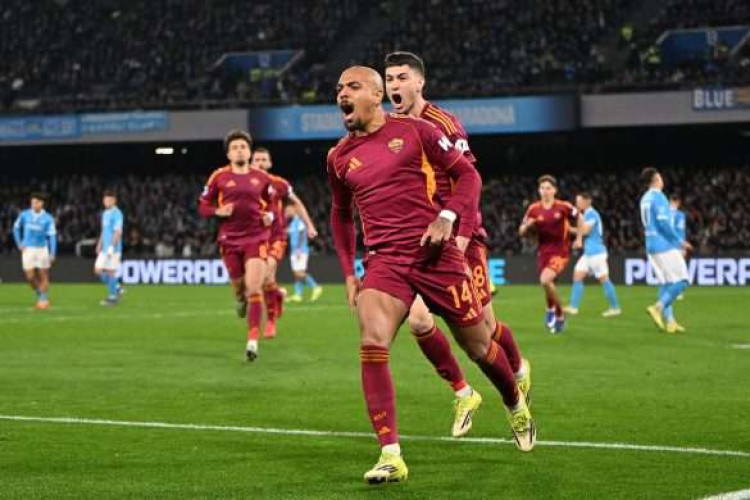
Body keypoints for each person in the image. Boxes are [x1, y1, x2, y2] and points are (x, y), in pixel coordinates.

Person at [329, 66, 535, 485]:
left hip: (435, 255)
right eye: (338, 89)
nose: (342, 94)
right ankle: (391, 454)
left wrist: (448, 216)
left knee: (479, 345)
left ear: (376, 94)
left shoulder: (418, 131)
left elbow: (468, 176)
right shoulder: (338, 157)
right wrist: (349, 271)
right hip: (385, 261)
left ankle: (514, 403)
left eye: (352, 86)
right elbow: (340, 215)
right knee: (372, 340)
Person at [384, 51, 530, 438]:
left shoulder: (444, 123)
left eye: (402, 77)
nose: (394, 85)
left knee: (486, 328)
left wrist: (462, 237)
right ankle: (464, 393)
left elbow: (468, 180)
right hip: (421, 242)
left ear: (420, 82)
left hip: (462, 235)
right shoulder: (390, 128)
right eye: (389, 79)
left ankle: (518, 372)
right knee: (419, 320)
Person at [199, 130, 274, 360]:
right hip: (229, 239)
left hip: (256, 237)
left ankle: (252, 341)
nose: (239, 150)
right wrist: (217, 211)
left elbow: (271, 204)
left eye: (243, 146)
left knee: (254, 288)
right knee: (240, 289)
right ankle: (240, 300)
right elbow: (203, 205)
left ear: (249, 151)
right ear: (229, 154)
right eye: (235, 147)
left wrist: (270, 215)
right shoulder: (218, 177)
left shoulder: (262, 178)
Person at [250, 146, 318, 338]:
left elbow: (297, 203)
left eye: (264, 160)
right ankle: (278, 295)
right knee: (264, 281)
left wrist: (309, 225)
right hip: (255, 238)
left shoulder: (279, 184)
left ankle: (271, 321)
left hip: (275, 238)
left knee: (266, 274)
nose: (260, 163)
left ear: (270, 163)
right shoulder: (245, 186)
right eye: (257, 160)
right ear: (251, 163)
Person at [519, 175, 583, 333]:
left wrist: (579, 238)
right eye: (542, 188)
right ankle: (549, 308)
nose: (545, 191)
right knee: (548, 284)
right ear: (539, 190)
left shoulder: (563, 206)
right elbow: (521, 231)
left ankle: (559, 314)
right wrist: (527, 226)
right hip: (543, 253)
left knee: (545, 280)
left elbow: (580, 217)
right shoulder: (533, 209)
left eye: (548, 188)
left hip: (561, 252)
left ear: (554, 190)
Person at [639, 168, 691, 333]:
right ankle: (658, 308)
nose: (662, 180)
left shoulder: (644, 198)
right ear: (656, 179)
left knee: (667, 283)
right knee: (682, 280)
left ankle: (670, 321)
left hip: (651, 245)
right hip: (664, 245)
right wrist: (679, 241)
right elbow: (663, 223)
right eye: (660, 177)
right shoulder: (659, 197)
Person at [564, 193, 622, 317]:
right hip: (589, 253)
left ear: (587, 202)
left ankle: (615, 307)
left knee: (604, 279)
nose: (577, 204)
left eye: (579, 201)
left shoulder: (591, 214)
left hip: (596, 253)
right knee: (577, 275)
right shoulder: (586, 214)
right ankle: (573, 307)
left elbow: (585, 231)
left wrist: (569, 229)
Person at [13, 192, 57, 309]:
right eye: (32, 202)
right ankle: (40, 292)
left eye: (36, 202)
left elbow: (52, 236)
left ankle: (43, 300)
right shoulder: (24, 215)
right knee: (30, 277)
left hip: (42, 249)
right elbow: (16, 228)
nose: (34, 205)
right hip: (28, 249)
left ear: (41, 203)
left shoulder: (48, 218)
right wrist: (19, 243)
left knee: (44, 275)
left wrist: (52, 253)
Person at [285, 204, 323, 302]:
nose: (286, 212)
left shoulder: (300, 220)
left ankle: (315, 287)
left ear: (294, 210)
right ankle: (298, 295)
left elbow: (302, 234)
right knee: (296, 274)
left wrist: (299, 249)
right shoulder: (293, 223)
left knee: (299, 273)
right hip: (294, 251)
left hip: (300, 251)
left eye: (288, 210)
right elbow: (287, 232)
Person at [95, 190, 124, 306]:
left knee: (111, 272)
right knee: (97, 270)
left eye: (109, 200)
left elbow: (118, 232)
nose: (106, 202)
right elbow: (104, 230)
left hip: (114, 249)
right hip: (104, 248)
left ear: (114, 201)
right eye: (105, 200)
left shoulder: (117, 213)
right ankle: (116, 287)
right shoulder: (105, 213)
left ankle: (112, 298)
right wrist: (99, 244)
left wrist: (112, 246)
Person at [670, 193, 687, 303]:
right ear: (678, 203)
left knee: (671, 270)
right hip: (677, 246)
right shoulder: (680, 215)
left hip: (666, 246)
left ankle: (671, 291)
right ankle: (679, 292)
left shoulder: (664, 213)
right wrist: (683, 246)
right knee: (679, 269)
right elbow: (681, 231)